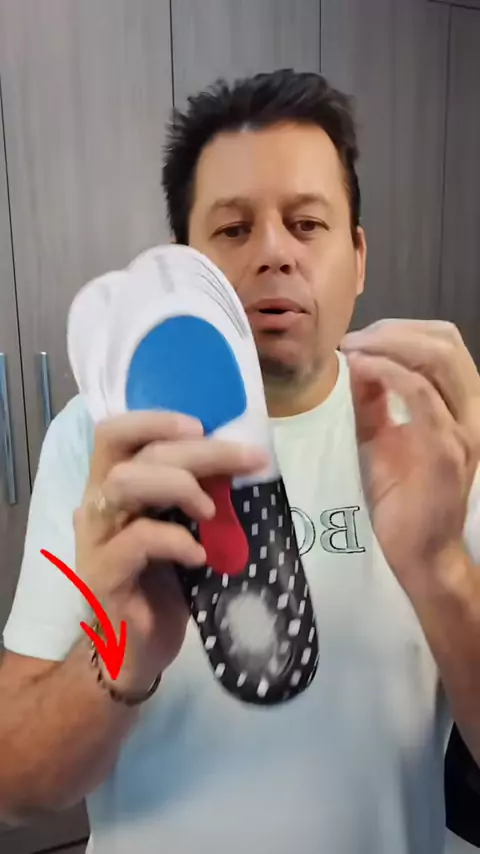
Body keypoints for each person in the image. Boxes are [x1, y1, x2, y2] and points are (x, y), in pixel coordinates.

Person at [0, 68, 479, 854]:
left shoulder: (438, 432)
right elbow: (13, 786)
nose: (274, 253)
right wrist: (120, 649)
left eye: (307, 223)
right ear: (182, 263)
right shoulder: (95, 440)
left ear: (358, 257)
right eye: (232, 229)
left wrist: (443, 571)